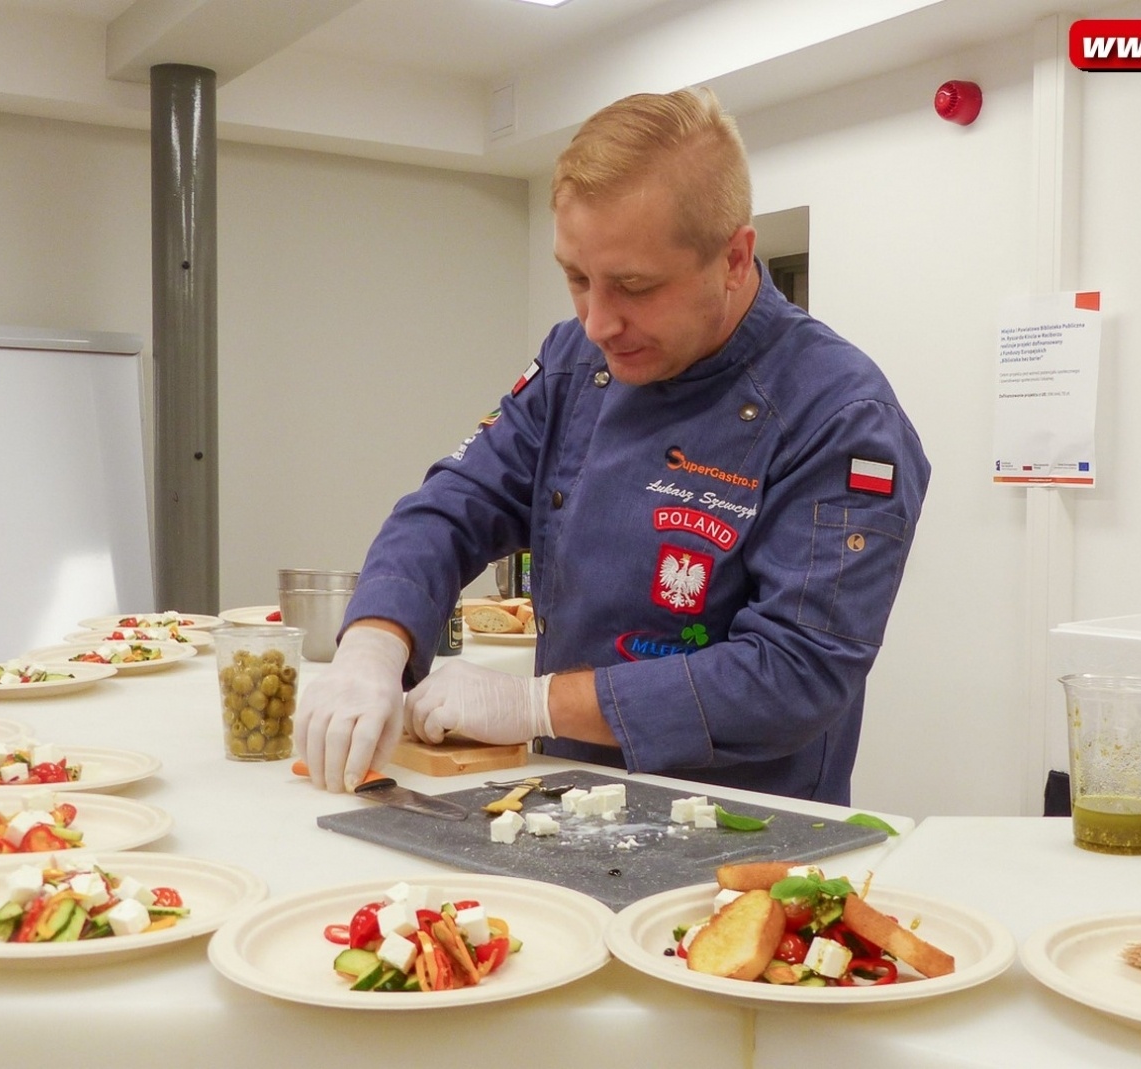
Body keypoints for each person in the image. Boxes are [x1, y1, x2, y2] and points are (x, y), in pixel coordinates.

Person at [294, 86, 929, 805]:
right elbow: (457, 502)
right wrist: (374, 643)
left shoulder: (839, 415)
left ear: (735, 257)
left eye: (633, 286)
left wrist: (535, 706)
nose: (597, 321)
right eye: (576, 278)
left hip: (742, 835)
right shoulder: (576, 365)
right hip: (559, 802)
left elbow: (793, 674)